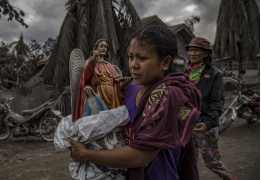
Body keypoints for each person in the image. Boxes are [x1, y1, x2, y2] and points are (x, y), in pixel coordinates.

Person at [69, 26, 202, 180]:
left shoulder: (169, 97)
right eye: (131, 57)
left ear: (165, 62)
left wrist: (87, 155)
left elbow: (141, 156)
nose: (133, 65)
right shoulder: (130, 90)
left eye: (142, 58)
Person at [184, 37, 237, 180]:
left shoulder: (214, 74)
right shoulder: (186, 72)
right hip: (187, 123)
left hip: (204, 122)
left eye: (196, 50)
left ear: (206, 54)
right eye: (190, 50)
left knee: (212, 160)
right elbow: (183, 99)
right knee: (188, 161)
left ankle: (228, 177)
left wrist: (209, 123)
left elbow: (217, 101)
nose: (192, 53)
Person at [75, 39, 123, 121]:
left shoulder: (110, 66)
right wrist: (92, 59)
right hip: (99, 93)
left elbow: (117, 81)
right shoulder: (91, 63)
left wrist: (124, 82)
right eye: (101, 46)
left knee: (112, 120)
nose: (104, 48)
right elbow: (85, 77)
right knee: (100, 119)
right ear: (96, 49)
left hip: (113, 96)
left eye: (105, 47)